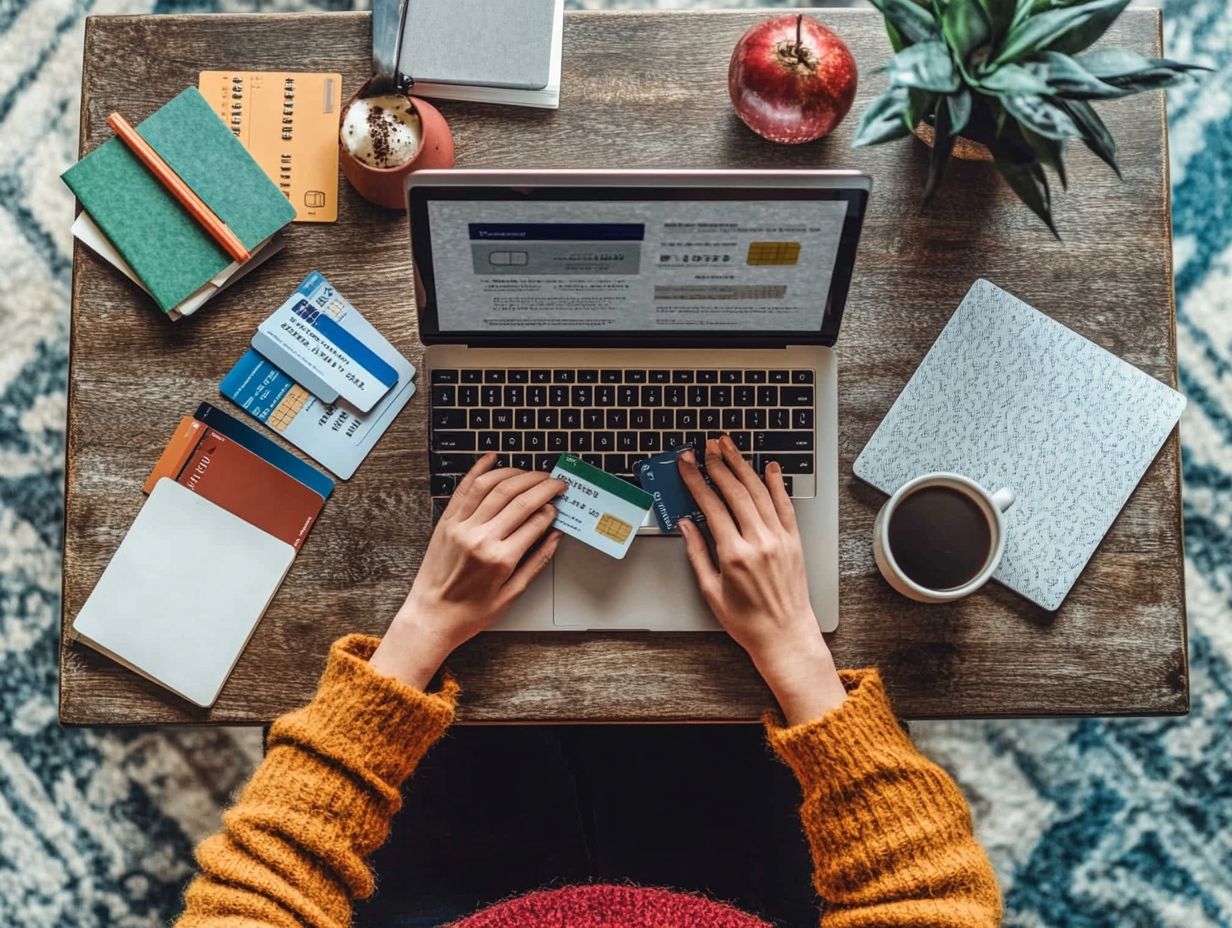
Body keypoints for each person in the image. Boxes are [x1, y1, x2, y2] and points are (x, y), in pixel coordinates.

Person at [174, 436, 1003, 928]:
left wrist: (422, 626)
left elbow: (261, 891)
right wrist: (794, 648)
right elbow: (925, 895)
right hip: (741, 882)